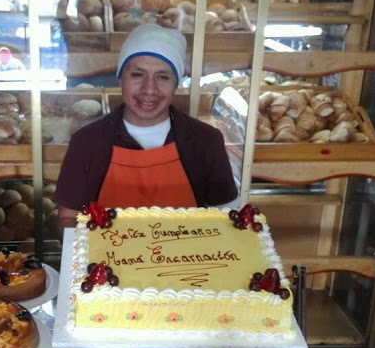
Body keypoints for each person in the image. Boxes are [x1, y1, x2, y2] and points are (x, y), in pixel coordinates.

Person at [54, 24, 238, 234]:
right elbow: (69, 219)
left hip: (186, 266)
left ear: (176, 83)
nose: (149, 89)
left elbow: (227, 219)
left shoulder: (206, 141)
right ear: (121, 78)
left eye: (163, 77)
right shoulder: (86, 142)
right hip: (105, 266)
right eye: (138, 75)